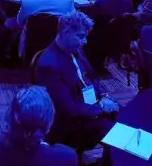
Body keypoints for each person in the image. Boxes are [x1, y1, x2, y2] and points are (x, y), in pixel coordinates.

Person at [35, 11, 117, 151]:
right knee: (118, 135)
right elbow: (69, 110)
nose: (85, 41)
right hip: (71, 124)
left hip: (90, 106)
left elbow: (92, 77)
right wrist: (102, 108)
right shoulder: (48, 65)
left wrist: (104, 97)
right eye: (81, 36)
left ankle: (108, 162)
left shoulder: (75, 49)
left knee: (127, 118)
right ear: (66, 33)